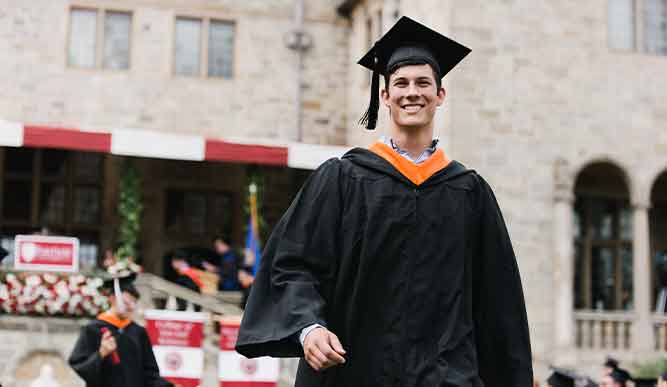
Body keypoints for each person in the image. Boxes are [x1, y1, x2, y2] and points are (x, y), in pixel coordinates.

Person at [235, 16, 532, 387]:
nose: (412, 92)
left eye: (424, 83)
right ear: (385, 96)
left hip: (443, 377)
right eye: (401, 83)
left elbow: (498, 304)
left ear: (440, 95)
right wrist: (309, 329)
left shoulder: (469, 193)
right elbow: (292, 265)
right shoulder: (343, 180)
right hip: (354, 371)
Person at [68, 264, 172, 387]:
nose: (131, 307)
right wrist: (101, 353)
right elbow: (80, 367)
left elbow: (150, 374)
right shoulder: (93, 329)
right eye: (127, 302)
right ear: (112, 298)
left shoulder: (138, 332)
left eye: (134, 303)